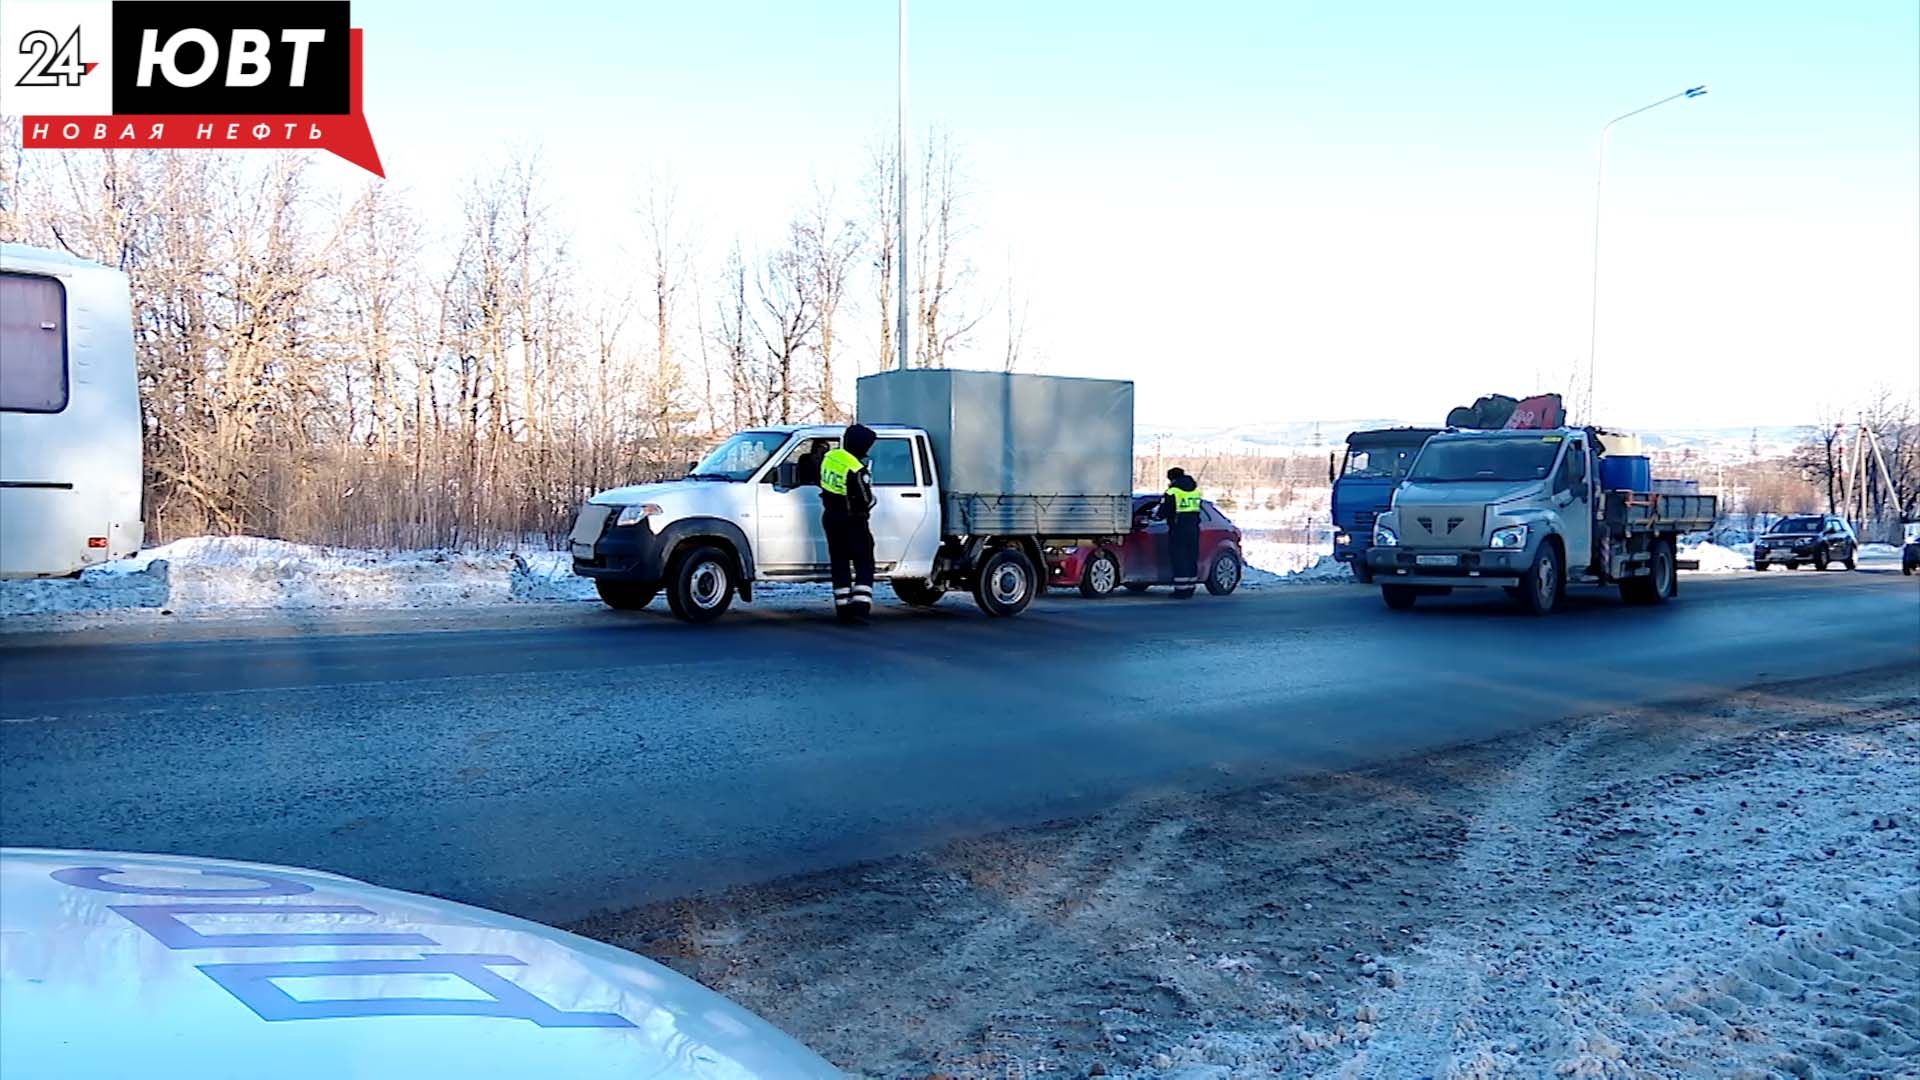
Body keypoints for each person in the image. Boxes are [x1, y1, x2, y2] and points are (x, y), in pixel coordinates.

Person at [819, 424, 878, 622]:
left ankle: (843, 608)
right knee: (865, 561)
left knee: (840, 562)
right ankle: (860, 607)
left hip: (830, 517)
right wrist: (872, 499)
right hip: (853, 520)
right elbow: (865, 499)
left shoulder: (830, 458)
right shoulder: (856, 468)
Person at [1160, 467, 1203, 598]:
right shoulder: (1195, 491)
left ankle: (1181, 590)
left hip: (1178, 529)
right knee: (1191, 557)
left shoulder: (1172, 491)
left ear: (1171, 478)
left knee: (1180, 558)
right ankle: (1190, 588)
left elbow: (1165, 511)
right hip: (1194, 528)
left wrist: (1156, 515)